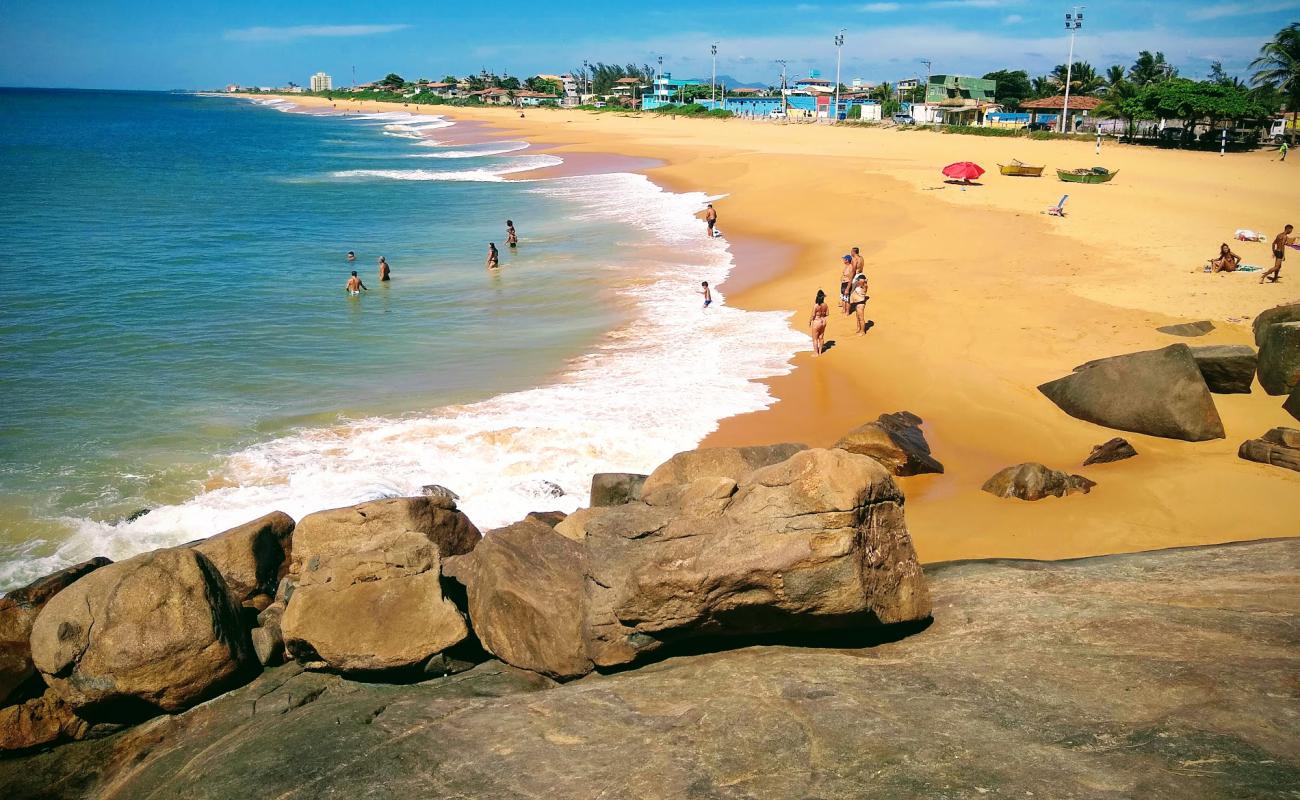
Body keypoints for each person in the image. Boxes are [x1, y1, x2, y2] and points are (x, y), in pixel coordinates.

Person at [809, 289, 829, 356]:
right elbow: (827, 314)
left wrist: (809, 321)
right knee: (821, 337)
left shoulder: (816, 305)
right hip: (823, 321)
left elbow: (813, 315)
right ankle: (820, 352)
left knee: (815, 339)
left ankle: (816, 353)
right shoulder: (825, 305)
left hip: (817, 322)